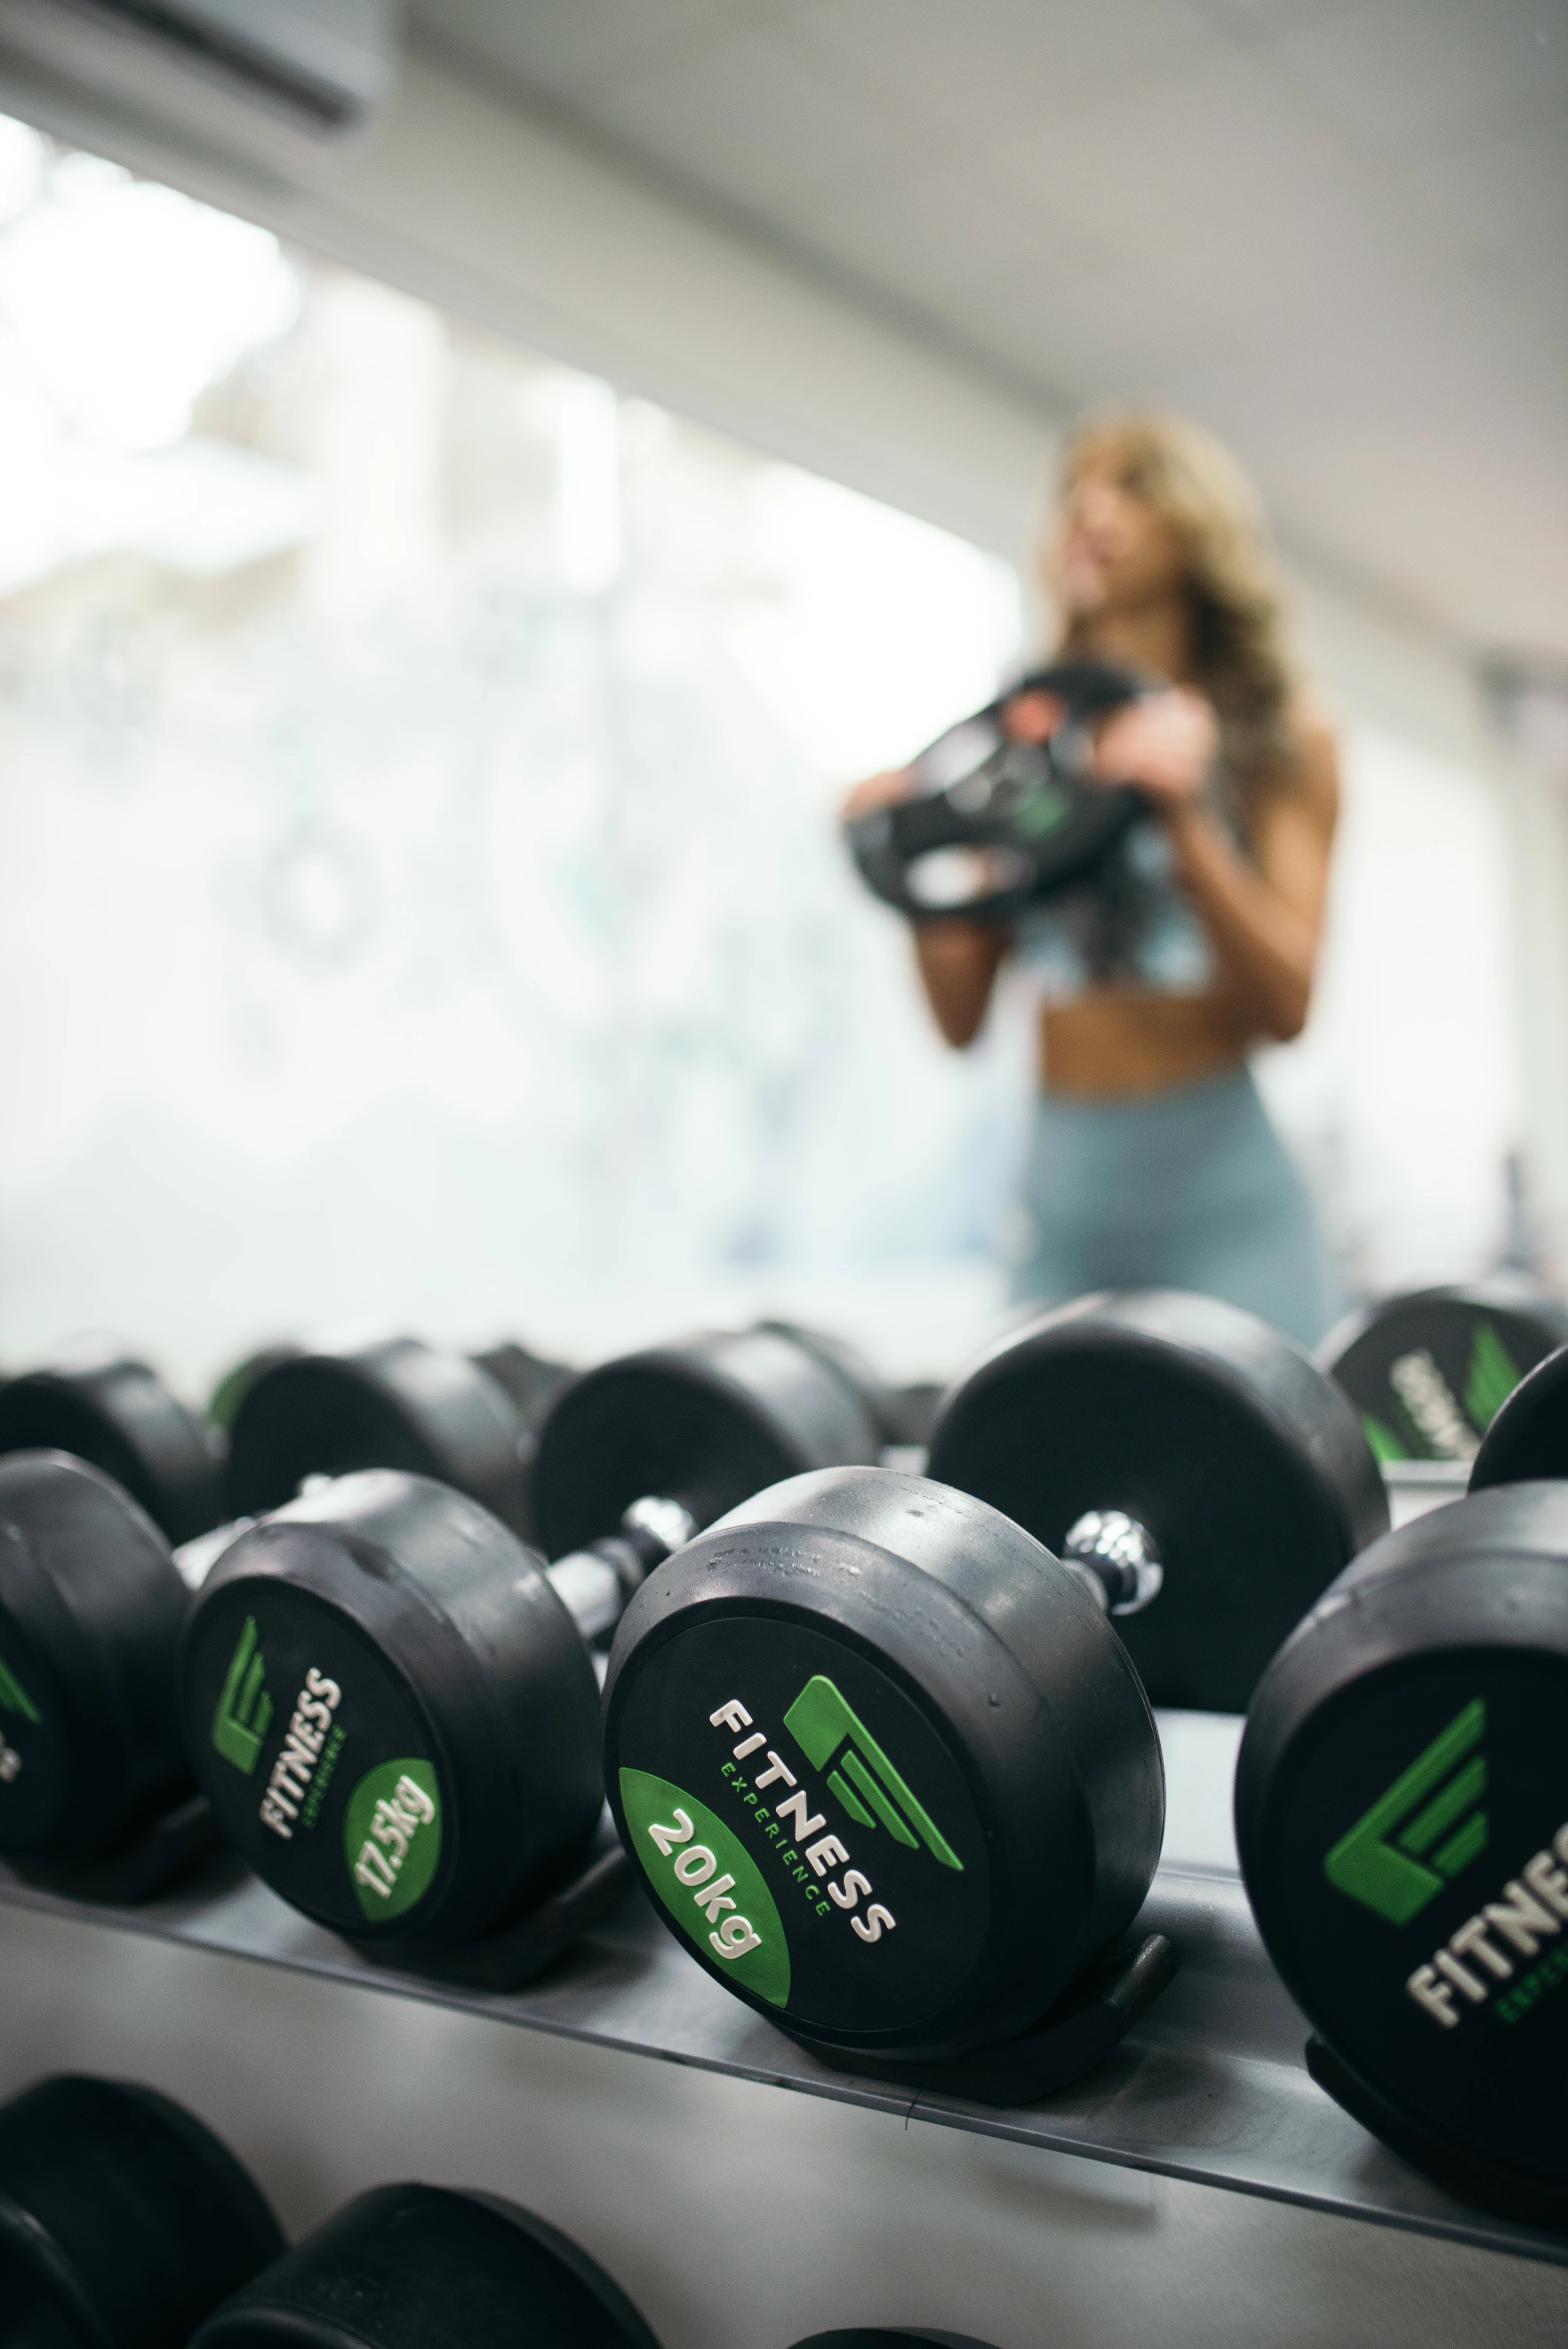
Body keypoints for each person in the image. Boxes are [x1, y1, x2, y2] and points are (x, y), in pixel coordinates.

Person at [844, 410, 1339, 1346]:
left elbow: (1287, 1004)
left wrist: (1183, 817)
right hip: (1062, 1199)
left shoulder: (1290, 733)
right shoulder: (1027, 741)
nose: (1090, 509)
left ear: (1198, 524)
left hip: (1227, 1202)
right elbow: (959, 1022)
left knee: (1275, 1484)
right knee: (1024, 1478)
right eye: (1075, 490)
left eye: (1131, 485)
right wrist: (912, 857)